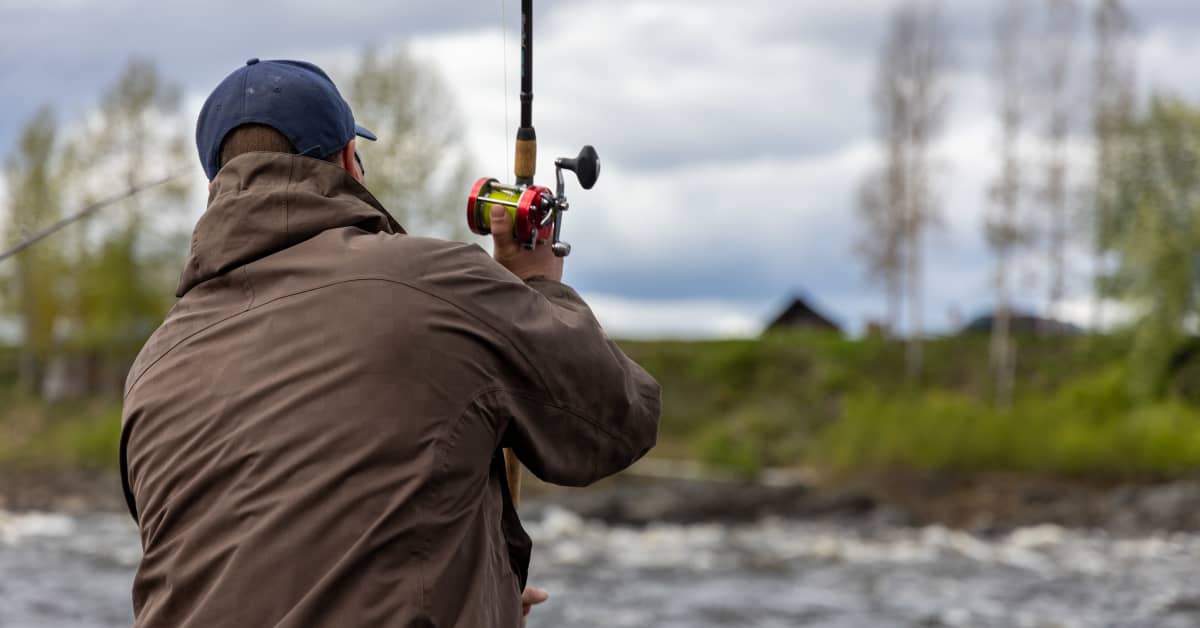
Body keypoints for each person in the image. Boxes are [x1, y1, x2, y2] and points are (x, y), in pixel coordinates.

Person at [119, 58, 661, 627]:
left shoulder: (152, 366)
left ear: (215, 188)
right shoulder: (435, 283)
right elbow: (618, 416)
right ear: (351, 160)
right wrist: (535, 285)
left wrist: (485, 593)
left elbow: (263, 551)